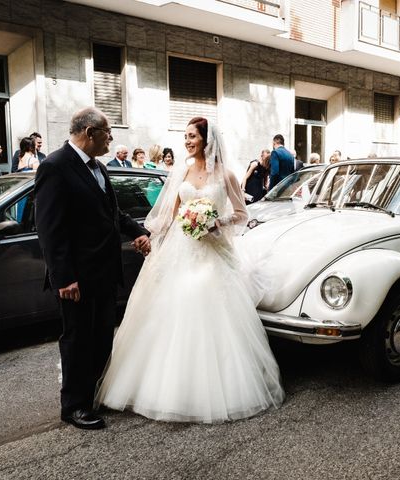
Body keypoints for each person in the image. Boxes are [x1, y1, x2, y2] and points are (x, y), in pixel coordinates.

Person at [95, 116, 284, 423]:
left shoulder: (226, 176)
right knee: (168, 311)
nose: (187, 141)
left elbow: (240, 214)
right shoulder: (180, 170)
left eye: (192, 136)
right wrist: (150, 237)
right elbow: (169, 215)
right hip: (179, 250)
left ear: (207, 140)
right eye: (185, 136)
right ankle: (160, 386)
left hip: (211, 251)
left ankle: (209, 390)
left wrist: (215, 223)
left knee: (210, 313)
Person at [34, 107, 151, 430]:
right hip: (77, 278)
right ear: (89, 132)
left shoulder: (98, 167)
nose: (111, 140)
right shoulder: (54, 167)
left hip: (104, 272)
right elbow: (50, 229)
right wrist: (64, 277)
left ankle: (93, 394)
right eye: (108, 134)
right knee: (77, 340)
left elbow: (112, 213)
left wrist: (139, 231)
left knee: (101, 338)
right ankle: (74, 406)